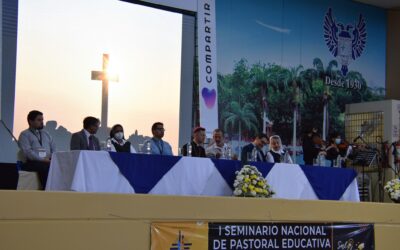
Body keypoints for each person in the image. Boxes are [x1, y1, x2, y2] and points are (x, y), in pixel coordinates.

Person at [18, 110, 56, 189]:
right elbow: (28, 152)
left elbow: (53, 148)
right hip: (32, 163)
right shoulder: (25, 134)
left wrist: (51, 158)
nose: (42, 122)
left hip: (47, 161)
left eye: (42, 120)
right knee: (45, 167)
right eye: (39, 120)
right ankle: (47, 189)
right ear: (31, 121)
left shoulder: (46, 134)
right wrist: (43, 160)